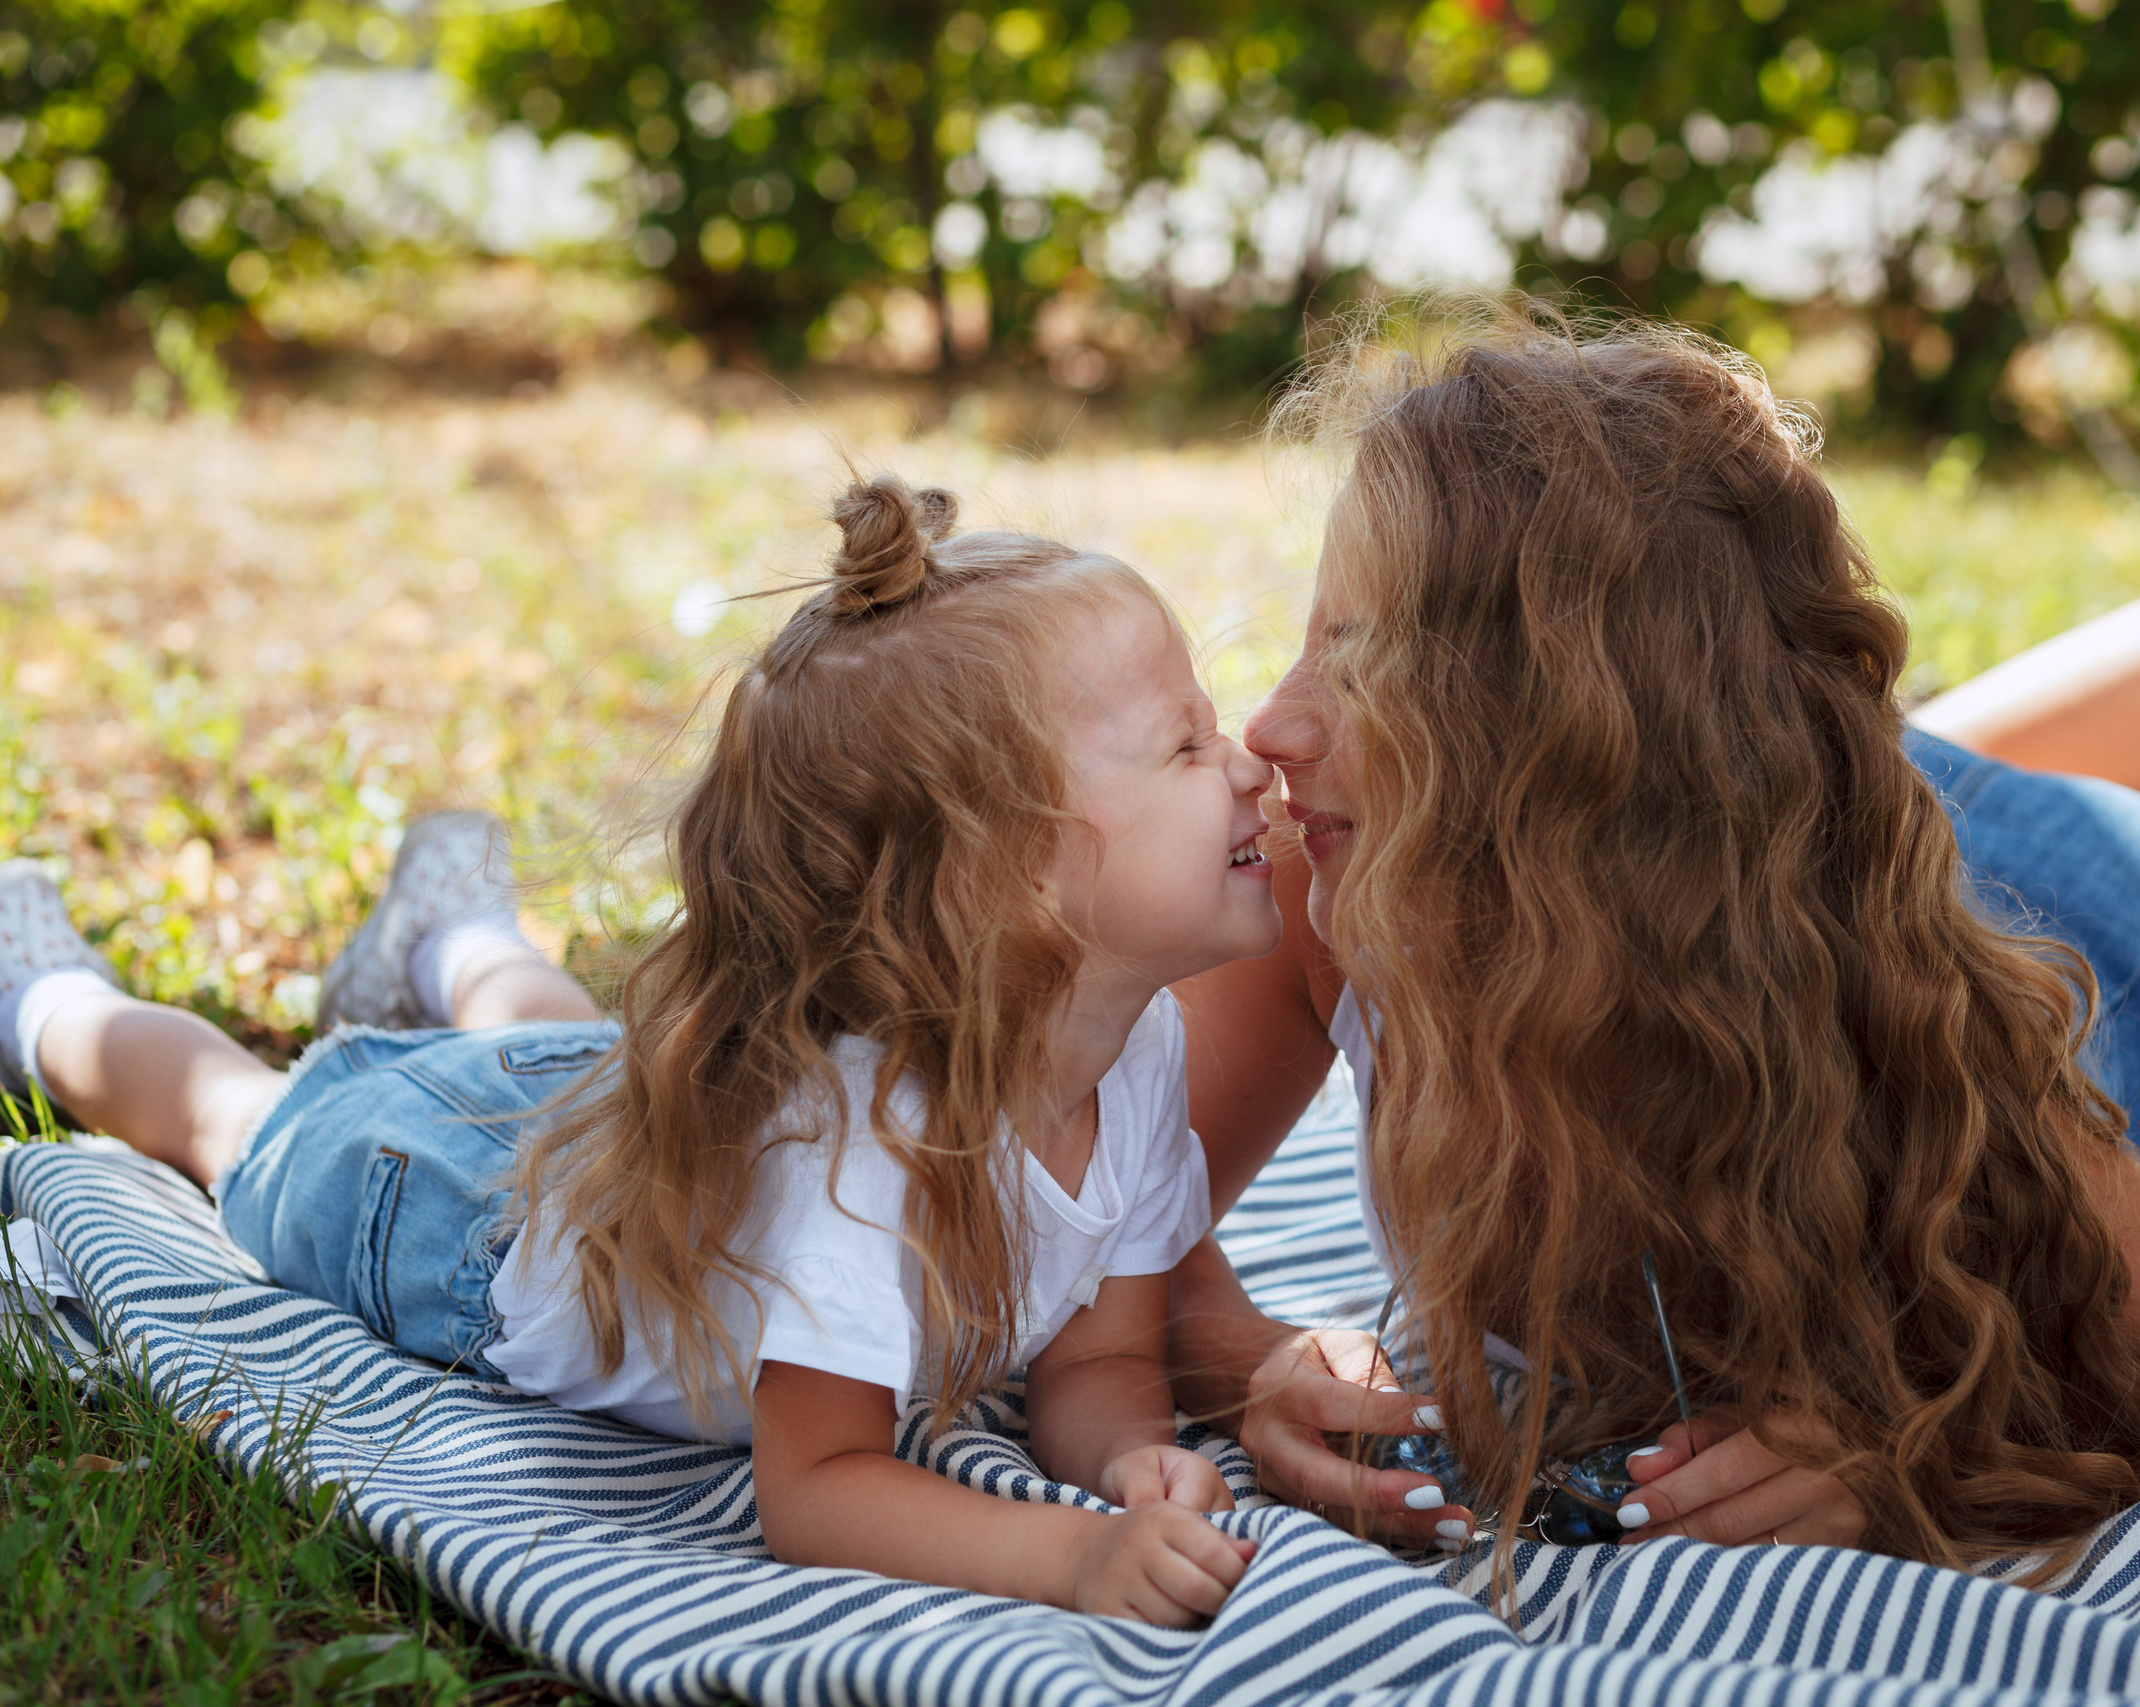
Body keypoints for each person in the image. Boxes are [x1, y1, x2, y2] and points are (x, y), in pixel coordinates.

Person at [1158, 301, 2140, 1577]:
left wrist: (1906, 1460)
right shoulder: (1350, 869)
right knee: (1906, 771)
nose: (1268, 725)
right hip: (1810, 825)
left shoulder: (1914, 1017)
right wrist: (1251, 1357)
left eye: (1360, 659)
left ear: (1562, 760)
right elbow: (1127, 1219)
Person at [0, 477, 1284, 1629]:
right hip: (467, 1220)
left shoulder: (1136, 1044)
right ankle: (45, 999)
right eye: (1186, 744)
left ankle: (449, 937)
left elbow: (1100, 1359)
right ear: (1013, 880)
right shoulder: (864, 1146)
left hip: (623, 1130)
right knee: (238, 1113)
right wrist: (1067, 1558)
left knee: (571, 1048)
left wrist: (1124, 1462)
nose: (1244, 765)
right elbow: (820, 1489)